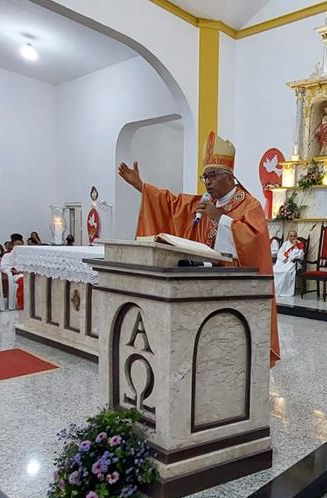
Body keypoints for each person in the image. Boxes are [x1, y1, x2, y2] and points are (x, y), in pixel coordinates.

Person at [117, 130, 280, 366]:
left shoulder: (249, 206)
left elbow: (254, 244)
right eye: (205, 177)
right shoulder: (204, 203)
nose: (208, 182)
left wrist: (220, 220)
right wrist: (141, 186)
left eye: (213, 176)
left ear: (230, 177)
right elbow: (171, 204)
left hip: (235, 294)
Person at [272, 230, 305, 298]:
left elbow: (300, 256)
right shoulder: (285, 243)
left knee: (286, 272)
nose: (292, 238)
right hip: (283, 261)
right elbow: (280, 252)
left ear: (296, 236)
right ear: (288, 236)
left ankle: (284, 291)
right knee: (274, 270)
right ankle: (274, 290)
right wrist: (284, 258)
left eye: (294, 236)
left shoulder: (299, 245)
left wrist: (295, 248)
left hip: (293, 263)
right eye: (291, 236)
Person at [1, 238, 25, 310]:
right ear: (12, 246)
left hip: (26, 274)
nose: (19, 247)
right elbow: (4, 267)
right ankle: (22, 304)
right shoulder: (7, 256)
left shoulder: (27, 256)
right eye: (17, 245)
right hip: (16, 276)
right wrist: (13, 270)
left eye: (21, 245)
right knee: (23, 282)